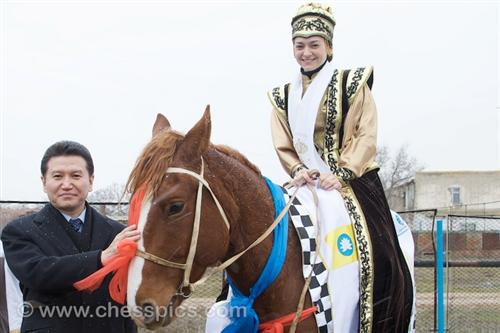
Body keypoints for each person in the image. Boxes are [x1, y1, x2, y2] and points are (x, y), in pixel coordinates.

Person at [269, 3, 414, 332]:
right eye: (299, 45)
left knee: (383, 256)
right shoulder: (282, 96)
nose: (306, 52)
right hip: (306, 182)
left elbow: (366, 133)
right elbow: (284, 145)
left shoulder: (353, 83)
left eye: (314, 44)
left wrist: (344, 171)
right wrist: (296, 171)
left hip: (354, 180)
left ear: (329, 47)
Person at [1, 141, 139, 333]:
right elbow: (40, 274)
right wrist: (100, 258)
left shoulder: (117, 233)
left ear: (90, 181)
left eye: (76, 175)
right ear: (44, 182)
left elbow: (126, 294)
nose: (67, 184)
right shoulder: (19, 231)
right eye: (57, 176)